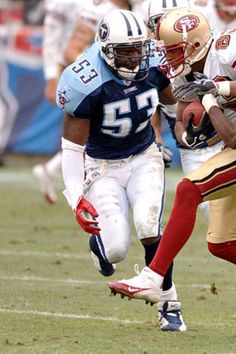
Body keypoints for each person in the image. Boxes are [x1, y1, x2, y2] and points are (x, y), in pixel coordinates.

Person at [56, 9, 186, 331]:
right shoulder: (84, 81)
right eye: (124, 52)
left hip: (144, 155)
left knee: (148, 224)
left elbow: (170, 102)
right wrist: (75, 199)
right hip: (102, 166)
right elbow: (72, 149)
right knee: (115, 250)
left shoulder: (154, 59)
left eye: (138, 49)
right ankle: (100, 250)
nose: (133, 59)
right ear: (105, 50)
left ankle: (170, 304)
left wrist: (179, 129)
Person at [108, 7, 236, 305]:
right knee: (222, 243)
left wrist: (216, 90)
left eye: (174, 51)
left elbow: (229, 134)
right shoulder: (184, 73)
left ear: (194, 44)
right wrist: (188, 134)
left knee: (188, 190)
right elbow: (182, 120)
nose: (168, 58)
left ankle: (154, 278)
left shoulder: (228, 50)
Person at [32, 0, 130, 204]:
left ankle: (51, 169)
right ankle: (81, 184)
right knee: (94, 135)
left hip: (115, 82)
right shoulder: (98, 10)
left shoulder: (127, 10)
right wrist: (95, 73)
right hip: (101, 84)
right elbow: (69, 50)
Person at [147, 0, 224, 217]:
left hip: (227, 133)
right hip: (195, 142)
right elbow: (150, 103)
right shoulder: (154, 59)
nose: (166, 27)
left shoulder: (218, 47)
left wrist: (218, 91)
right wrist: (158, 139)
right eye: (159, 22)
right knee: (213, 211)